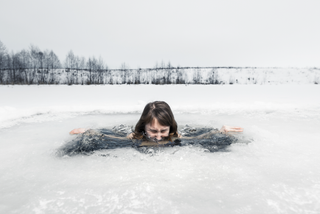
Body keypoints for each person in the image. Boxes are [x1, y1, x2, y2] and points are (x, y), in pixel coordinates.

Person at [60, 101, 243, 156]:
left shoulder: (175, 136)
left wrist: (219, 132)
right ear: (143, 126)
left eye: (163, 130)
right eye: (153, 131)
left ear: (170, 127)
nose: (157, 136)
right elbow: (107, 139)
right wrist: (89, 133)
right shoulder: (136, 136)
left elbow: (201, 139)